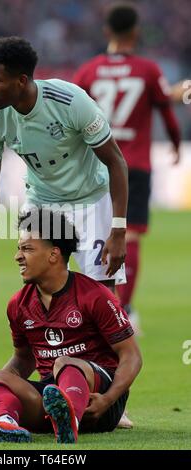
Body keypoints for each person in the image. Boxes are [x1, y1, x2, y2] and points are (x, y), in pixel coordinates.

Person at [0, 36, 129, 301]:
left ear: (21, 81)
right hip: (41, 204)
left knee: (103, 299)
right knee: (42, 293)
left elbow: (115, 162)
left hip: (91, 201)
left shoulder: (70, 101)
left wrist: (119, 230)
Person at [0, 209, 142, 443]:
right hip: (52, 395)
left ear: (54, 254)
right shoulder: (19, 304)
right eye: (19, 248)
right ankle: (7, 425)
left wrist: (108, 400)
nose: (17, 256)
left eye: (26, 249)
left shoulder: (95, 295)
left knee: (65, 364)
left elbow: (132, 356)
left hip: (100, 402)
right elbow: (23, 359)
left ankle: (71, 419)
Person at [73, 3, 181, 332]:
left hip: (96, 164)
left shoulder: (89, 71)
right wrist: (176, 143)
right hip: (134, 163)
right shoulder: (149, 70)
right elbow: (166, 112)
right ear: (135, 32)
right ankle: (124, 310)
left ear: (107, 32)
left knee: (95, 234)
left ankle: (89, 310)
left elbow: (71, 112)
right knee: (129, 233)